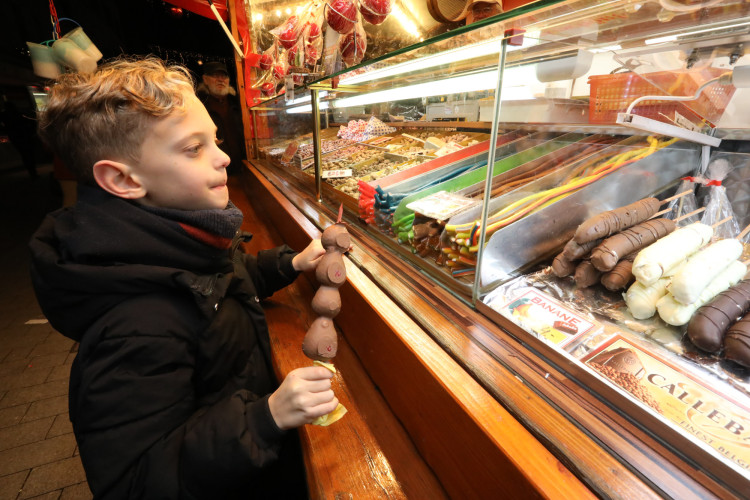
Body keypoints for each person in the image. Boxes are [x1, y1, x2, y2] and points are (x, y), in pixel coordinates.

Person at [29, 57, 337, 499]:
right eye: (194, 149)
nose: (224, 157)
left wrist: (287, 265)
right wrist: (264, 417)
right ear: (122, 178)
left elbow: (222, 280)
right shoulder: (136, 327)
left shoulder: (177, 240)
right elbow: (133, 481)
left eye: (214, 139)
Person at [196, 60, 246, 176]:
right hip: (215, 170)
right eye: (215, 75)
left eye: (224, 76)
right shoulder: (199, 106)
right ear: (205, 79)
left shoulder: (238, 103)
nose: (221, 79)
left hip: (243, 168)